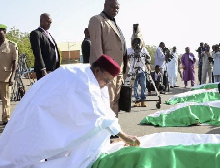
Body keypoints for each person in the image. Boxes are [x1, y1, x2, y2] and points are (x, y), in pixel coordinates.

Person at [0, 55, 140, 168]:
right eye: (107, 80)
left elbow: (102, 109)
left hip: (46, 110)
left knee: (38, 147)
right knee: (23, 152)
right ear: (98, 70)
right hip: (40, 113)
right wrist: (125, 136)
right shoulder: (87, 83)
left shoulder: (85, 71)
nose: (107, 84)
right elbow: (100, 116)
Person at [89, 0, 127, 116]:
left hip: (118, 68)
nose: (115, 10)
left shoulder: (114, 23)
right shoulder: (97, 20)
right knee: (106, 99)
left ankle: (113, 127)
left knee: (115, 98)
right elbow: (97, 47)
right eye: (112, 7)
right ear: (105, 5)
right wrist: (102, 70)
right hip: (106, 70)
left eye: (117, 8)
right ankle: (104, 129)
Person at [30, 13, 60, 80]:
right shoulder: (36, 33)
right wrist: (43, 69)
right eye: (47, 21)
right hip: (45, 70)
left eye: (50, 22)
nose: (49, 24)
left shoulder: (48, 34)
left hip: (54, 68)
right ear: (41, 21)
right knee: (46, 89)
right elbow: (37, 52)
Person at [0, 24, 18, 125]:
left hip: (5, 76)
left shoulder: (11, 45)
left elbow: (15, 62)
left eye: (0, 32)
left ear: (5, 33)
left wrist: (12, 77)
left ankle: (6, 119)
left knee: (5, 99)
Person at [127, 38, 151, 107]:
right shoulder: (129, 50)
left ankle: (143, 100)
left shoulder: (143, 50)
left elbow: (149, 58)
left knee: (143, 85)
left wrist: (146, 56)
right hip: (133, 71)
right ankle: (137, 100)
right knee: (135, 86)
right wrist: (129, 57)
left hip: (142, 70)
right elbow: (126, 58)